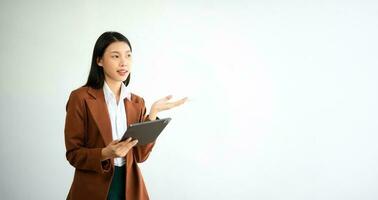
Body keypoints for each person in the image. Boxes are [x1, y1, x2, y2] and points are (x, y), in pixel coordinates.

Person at [64, 31, 187, 200]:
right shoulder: (80, 98)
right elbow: (73, 154)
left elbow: (140, 156)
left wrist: (152, 115)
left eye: (128, 56)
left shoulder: (137, 102)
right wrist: (105, 153)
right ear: (99, 60)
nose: (124, 63)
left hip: (130, 186)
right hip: (92, 188)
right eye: (115, 56)